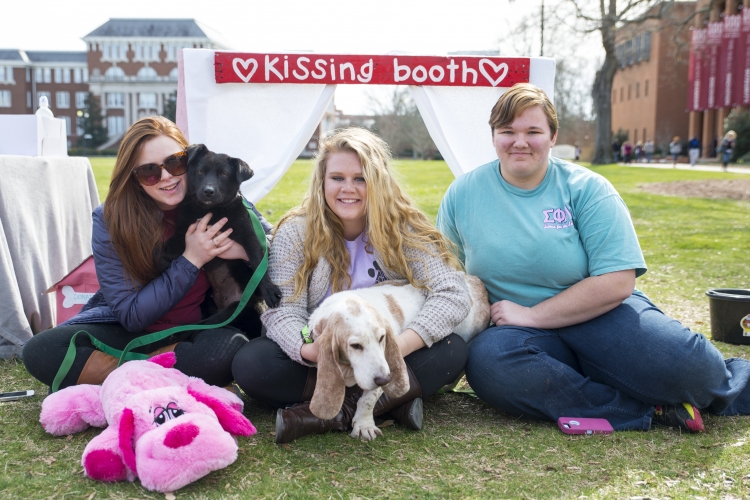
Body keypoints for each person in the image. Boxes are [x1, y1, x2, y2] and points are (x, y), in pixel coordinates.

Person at [437, 83, 750, 433]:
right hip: (514, 332)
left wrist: (535, 314)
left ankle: (726, 385)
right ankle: (652, 408)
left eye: (533, 131)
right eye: (507, 131)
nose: (519, 142)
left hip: (599, 315)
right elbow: (448, 276)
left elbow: (618, 281)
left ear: (553, 136)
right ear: (493, 136)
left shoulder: (588, 189)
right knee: (490, 367)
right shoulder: (463, 194)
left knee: (690, 367)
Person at [232, 127, 470, 443]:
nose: (349, 188)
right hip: (327, 359)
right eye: (337, 178)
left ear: (379, 181)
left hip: (389, 355)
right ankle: (393, 403)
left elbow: (453, 293)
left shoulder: (403, 228)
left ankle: (335, 413)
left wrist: (396, 349)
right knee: (253, 363)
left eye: (360, 178)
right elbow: (284, 313)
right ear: (322, 181)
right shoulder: (296, 232)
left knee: (453, 350)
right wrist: (309, 348)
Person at [22, 116, 267, 390]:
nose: (166, 177)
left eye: (175, 163)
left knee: (228, 349)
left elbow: (271, 242)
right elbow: (131, 315)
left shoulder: (218, 197)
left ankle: (125, 376)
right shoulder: (110, 220)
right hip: (132, 332)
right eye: (149, 172)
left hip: (198, 330)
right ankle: (156, 374)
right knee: (41, 350)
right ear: (134, 178)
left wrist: (240, 252)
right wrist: (192, 258)